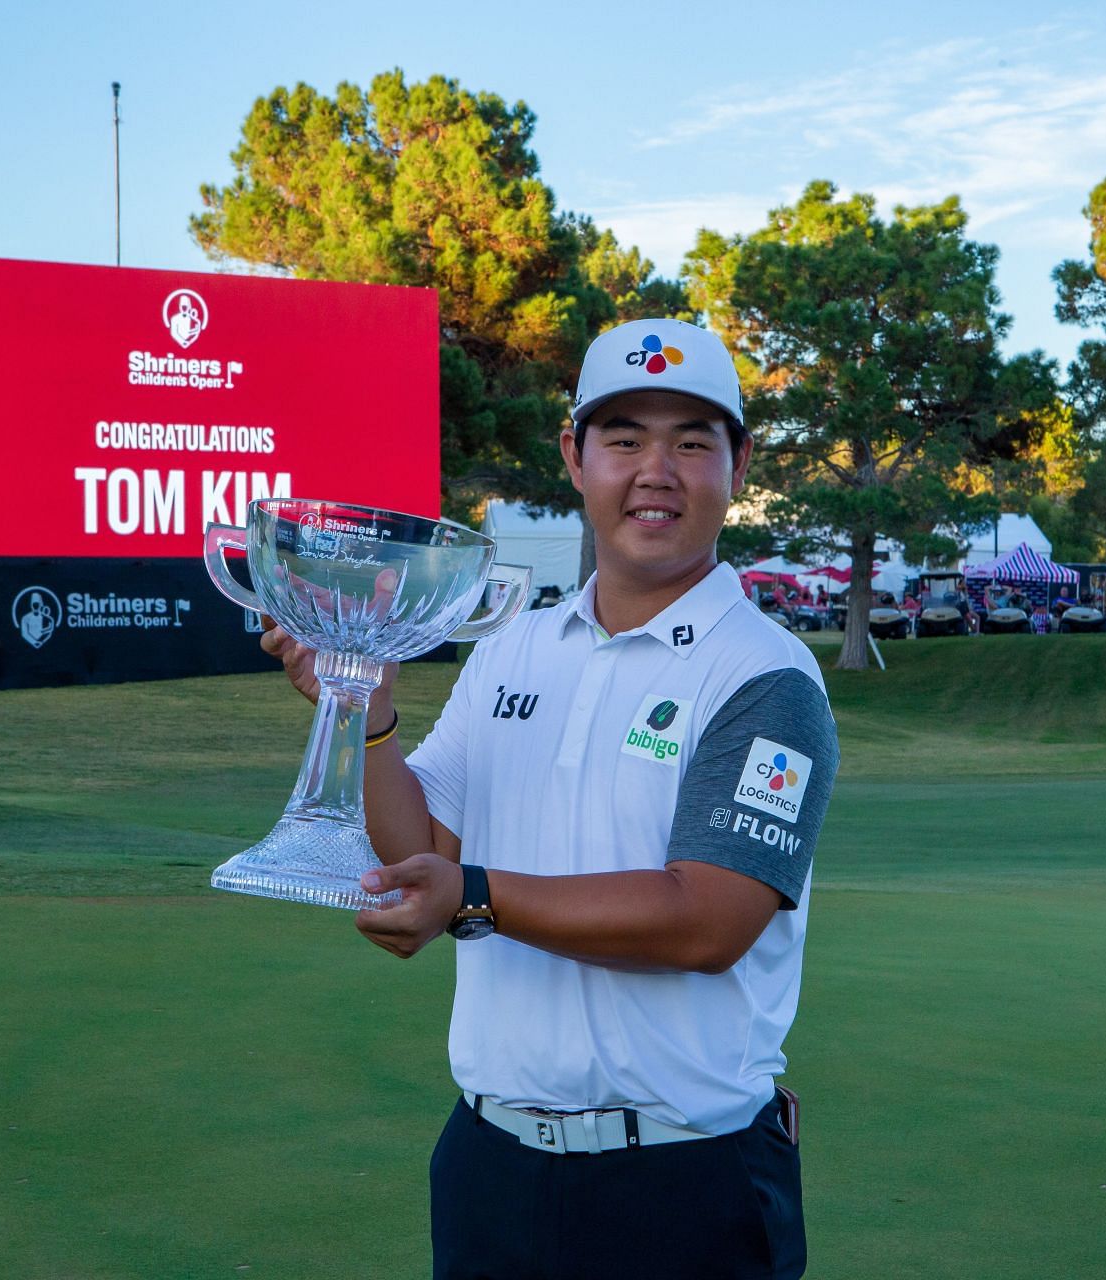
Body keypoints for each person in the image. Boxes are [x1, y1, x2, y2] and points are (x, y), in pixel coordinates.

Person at [260, 318, 838, 1280]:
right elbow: (420, 846)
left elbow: (707, 920)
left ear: (738, 464)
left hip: (684, 1187)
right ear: (575, 457)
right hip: (491, 1169)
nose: (656, 470)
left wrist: (472, 895)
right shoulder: (512, 649)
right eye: (624, 439)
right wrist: (368, 710)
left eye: (692, 442)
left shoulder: (766, 678)